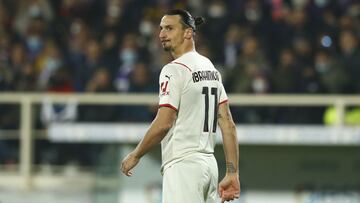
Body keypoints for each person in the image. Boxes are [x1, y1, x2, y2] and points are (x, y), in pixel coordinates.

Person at [121, 9, 240, 203]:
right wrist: (232, 172)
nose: (161, 34)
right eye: (160, 29)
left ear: (188, 32)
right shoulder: (210, 68)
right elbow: (228, 124)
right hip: (209, 165)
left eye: (169, 28)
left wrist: (136, 155)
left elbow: (164, 123)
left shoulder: (173, 70)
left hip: (183, 165)